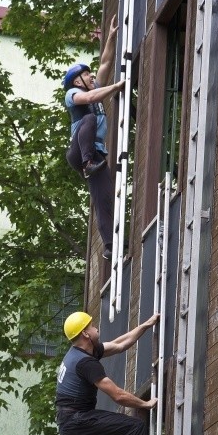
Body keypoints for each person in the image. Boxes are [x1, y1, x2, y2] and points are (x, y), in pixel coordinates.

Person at [55, 310, 159, 435]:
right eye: (92, 326)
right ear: (86, 334)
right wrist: (146, 404)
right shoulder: (85, 362)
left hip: (72, 428)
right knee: (134, 428)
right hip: (77, 423)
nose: (96, 329)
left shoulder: (83, 352)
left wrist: (146, 325)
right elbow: (118, 395)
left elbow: (121, 344)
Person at [63, 16, 124, 261]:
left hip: (97, 155)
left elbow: (106, 62)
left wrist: (110, 36)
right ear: (77, 81)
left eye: (90, 76)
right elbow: (89, 100)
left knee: (104, 197)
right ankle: (88, 163)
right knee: (88, 119)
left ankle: (111, 245)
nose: (91, 78)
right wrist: (116, 87)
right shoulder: (73, 93)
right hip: (79, 154)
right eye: (86, 76)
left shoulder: (94, 86)